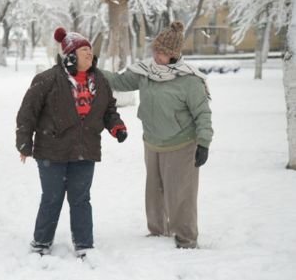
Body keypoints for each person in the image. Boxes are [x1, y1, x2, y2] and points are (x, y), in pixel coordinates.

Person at [15, 27, 127, 258]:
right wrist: (24, 143)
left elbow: (108, 110)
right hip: (52, 151)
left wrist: (117, 127)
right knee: (52, 198)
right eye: (84, 50)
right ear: (70, 55)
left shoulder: (100, 81)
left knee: (81, 199)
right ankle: (41, 242)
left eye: (90, 50)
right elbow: (28, 112)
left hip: (85, 151)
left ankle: (84, 243)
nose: (89, 53)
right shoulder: (47, 79)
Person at [103, 21, 213, 249]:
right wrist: (94, 70)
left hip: (181, 145)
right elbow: (118, 82)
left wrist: (203, 142)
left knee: (180, 195)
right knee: (154, 192)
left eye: (162, 52)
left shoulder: (189, 80)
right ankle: (157, 233)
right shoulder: (146, 72)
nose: (156, 55)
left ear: (174, 55)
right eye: (155, 50)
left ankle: (186, 239)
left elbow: (203, 113)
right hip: (152, 143)